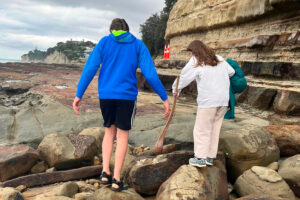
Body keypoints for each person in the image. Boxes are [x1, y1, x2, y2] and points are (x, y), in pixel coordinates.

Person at [73, 18, 170, 191]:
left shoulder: (104, 42)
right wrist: (164, 98)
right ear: (127, 30)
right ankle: (117, 179)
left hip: (106, 96)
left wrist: (79, 94)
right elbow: (150, 73)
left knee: (109, 132)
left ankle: (105, 173)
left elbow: (90, 68)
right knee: (123, 136)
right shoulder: (138, 45)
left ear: (112, 30)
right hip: (126, 97)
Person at [172, 40, 235, 168]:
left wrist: (175, 89)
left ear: (195, 52)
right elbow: (231, 72)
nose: (190, 56)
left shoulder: (196, 60)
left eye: (190, 53)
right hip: (223, 100)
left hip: (208, 101)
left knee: (202, 130)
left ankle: (200, 158)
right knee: (214, 129)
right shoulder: (219, 58)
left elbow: (183, 77)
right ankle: (210, 158)